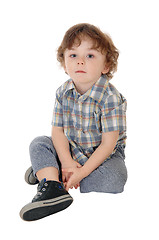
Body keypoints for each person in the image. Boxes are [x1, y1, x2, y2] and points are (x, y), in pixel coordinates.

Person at [20, 23, 128, 221]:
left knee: (115, 179)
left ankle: (50, 173)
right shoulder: (63, 92)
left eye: (90, 56)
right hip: (70, 150)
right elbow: (58, 132)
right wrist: (68, 161)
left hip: (104, 156)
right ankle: (53, 187)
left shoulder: (110, 98)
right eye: (73, 56)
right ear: (64, 64)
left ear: (106, 65)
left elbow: (108, 144)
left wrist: (81, 172)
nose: (80, 62)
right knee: (38, 143)